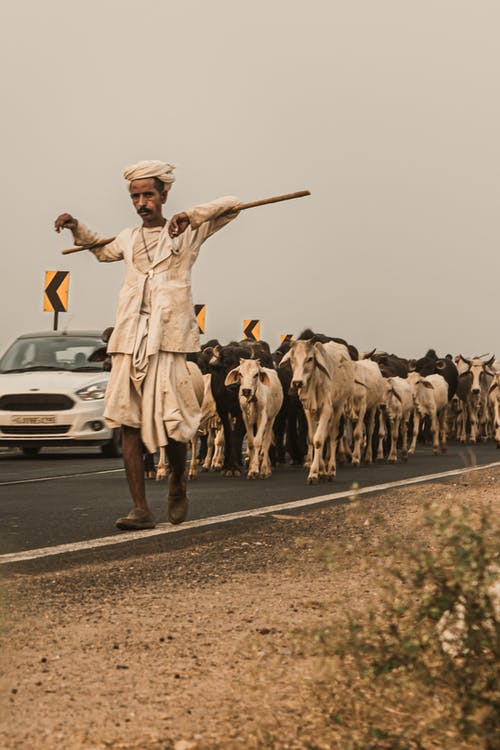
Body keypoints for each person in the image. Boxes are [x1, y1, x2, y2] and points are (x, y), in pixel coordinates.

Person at [54, 160, 240, 531]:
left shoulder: (188, 232)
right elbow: (100, 248)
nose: (142, 202)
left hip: (169, 342)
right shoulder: (127, 238)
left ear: (164, 195)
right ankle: (140, 509)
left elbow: (233, 204)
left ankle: (176, 481)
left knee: (174, 424)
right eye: (136, 196)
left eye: (148, 194)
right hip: (129, 340)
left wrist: (191, 215)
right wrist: (76, 226)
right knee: (127, 422)